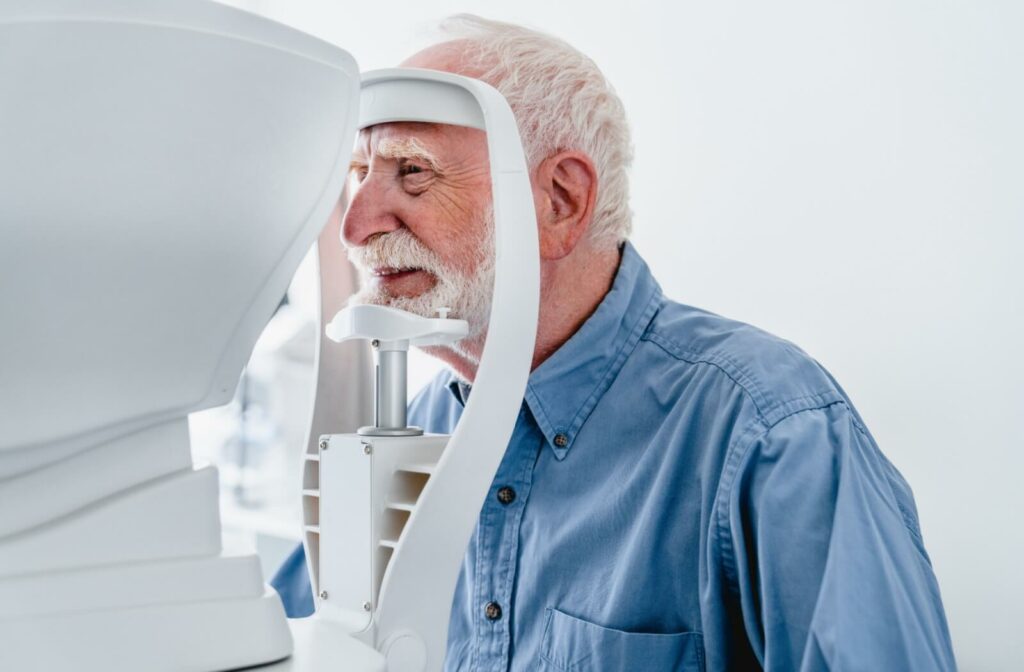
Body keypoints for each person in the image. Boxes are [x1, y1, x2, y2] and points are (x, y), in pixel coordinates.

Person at [273, 15, 957, 671]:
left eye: (412, 171)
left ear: (559, 201)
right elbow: (288, 640)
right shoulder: (408, 431)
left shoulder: (772, 432)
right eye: (357, 176)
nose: (355, 227)